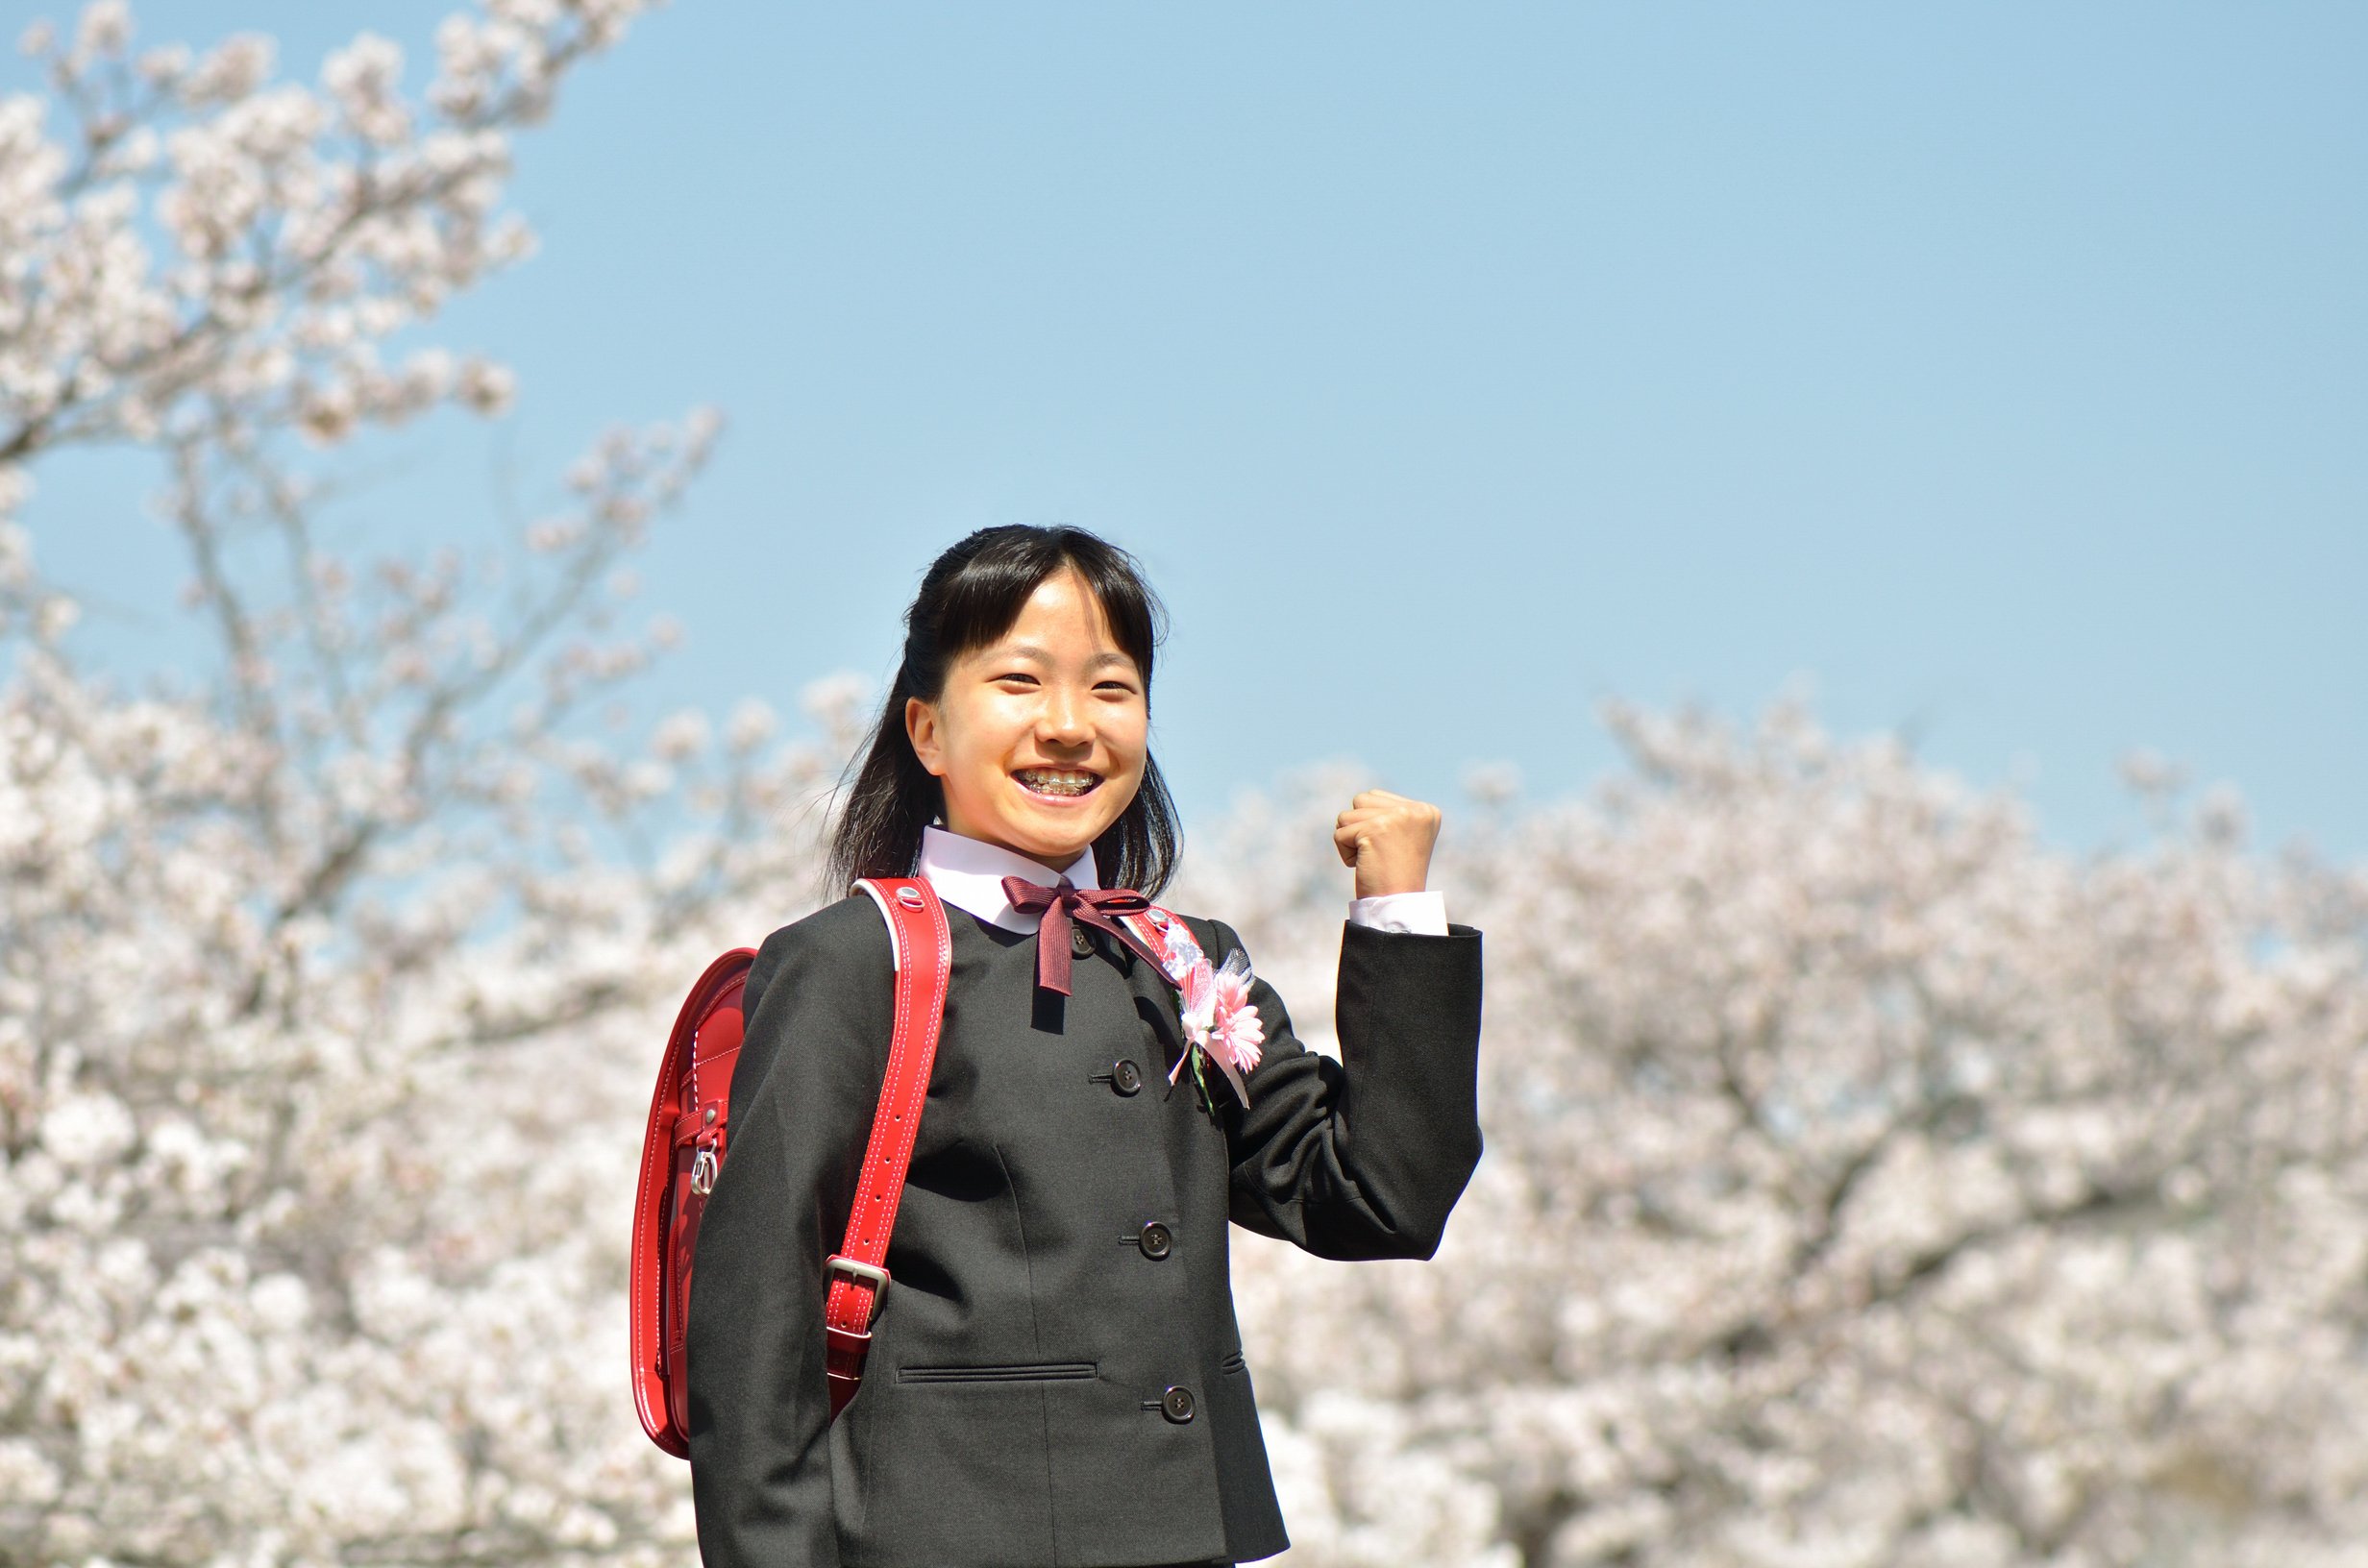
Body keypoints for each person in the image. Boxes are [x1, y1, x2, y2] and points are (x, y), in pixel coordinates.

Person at [685, 525, 1484, 1568]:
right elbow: (757, 1321)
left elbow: (1380, 1196)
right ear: (926, 730)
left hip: (1186, 1539)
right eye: (1019, 682)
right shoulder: (853, 963)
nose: (1069, 728)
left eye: (1110, 690)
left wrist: (1396, 916)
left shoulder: (1184, 963)